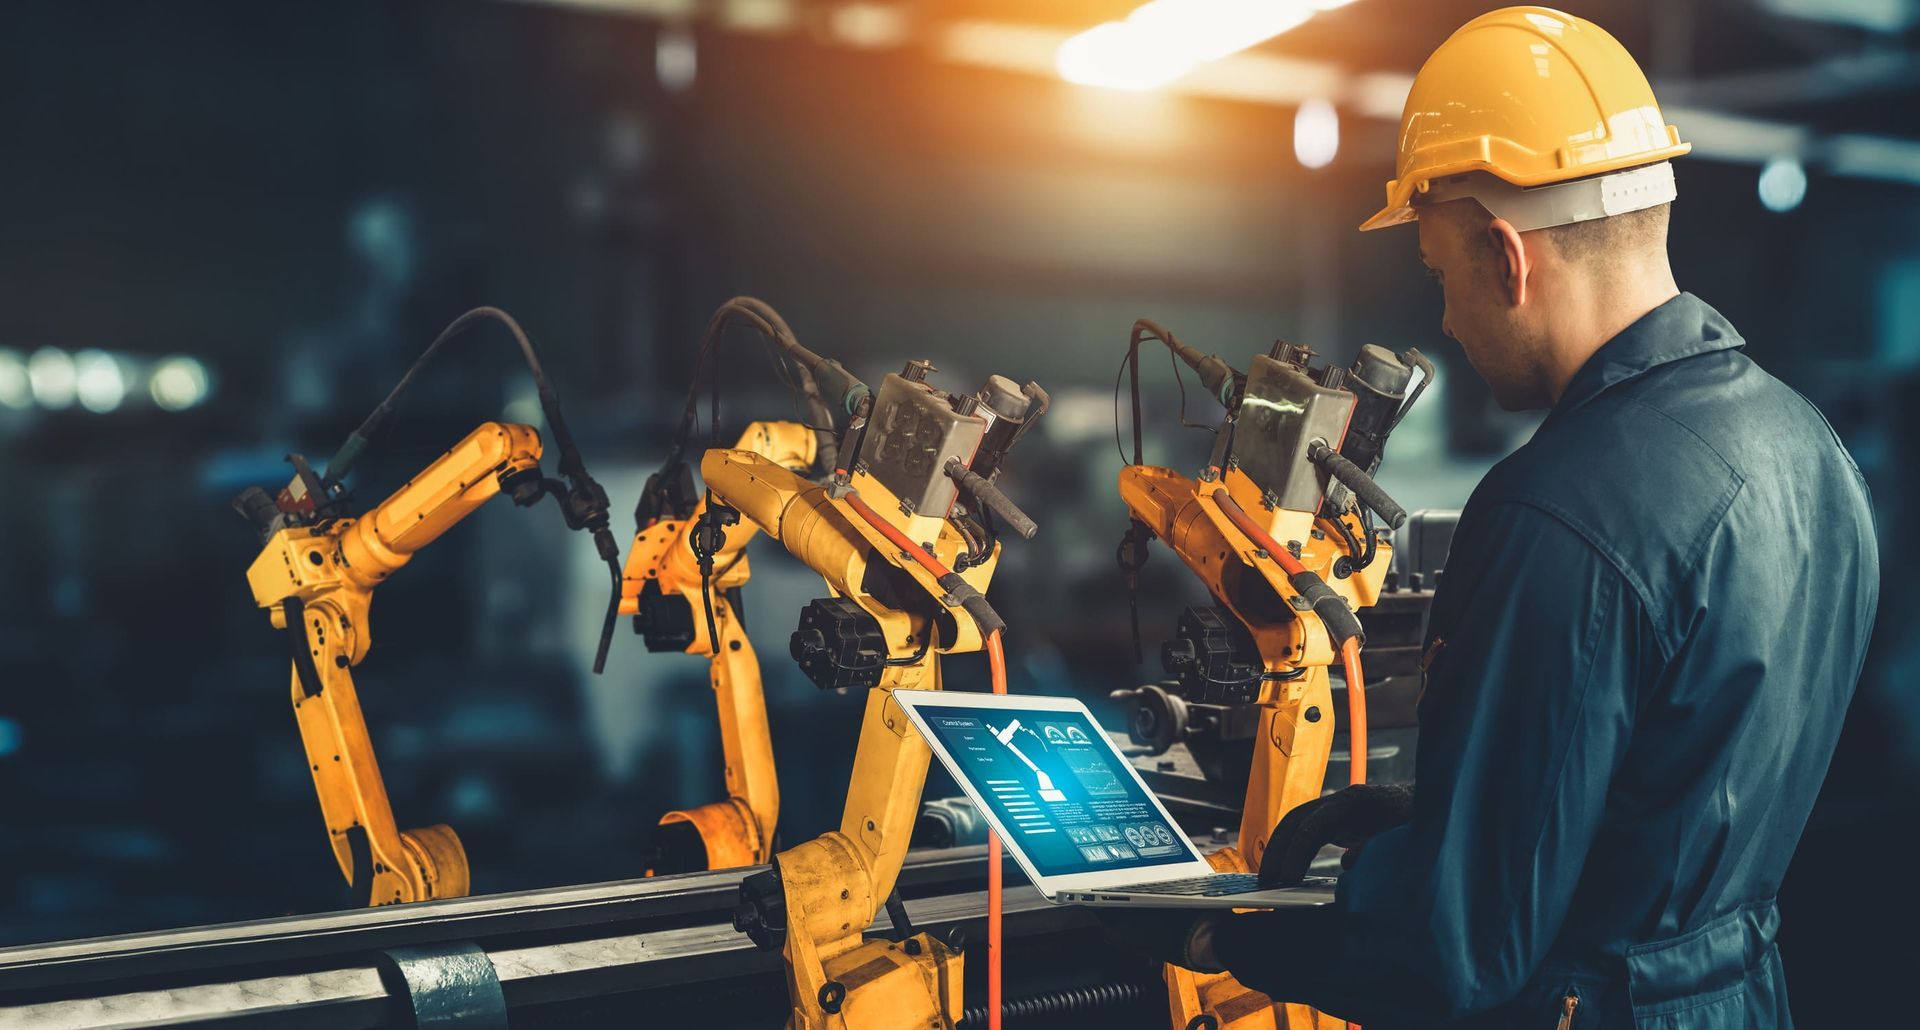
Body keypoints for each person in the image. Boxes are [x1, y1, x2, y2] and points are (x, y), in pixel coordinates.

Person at [1109, 8, 1879, 1027]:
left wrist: (1226, 938)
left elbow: (1459, 949)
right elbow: (1667, 791)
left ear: (1506, 256)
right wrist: (1429, 825)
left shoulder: (1554, 510)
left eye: (1441, 274)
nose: (1444, 318)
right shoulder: (1810, 450)